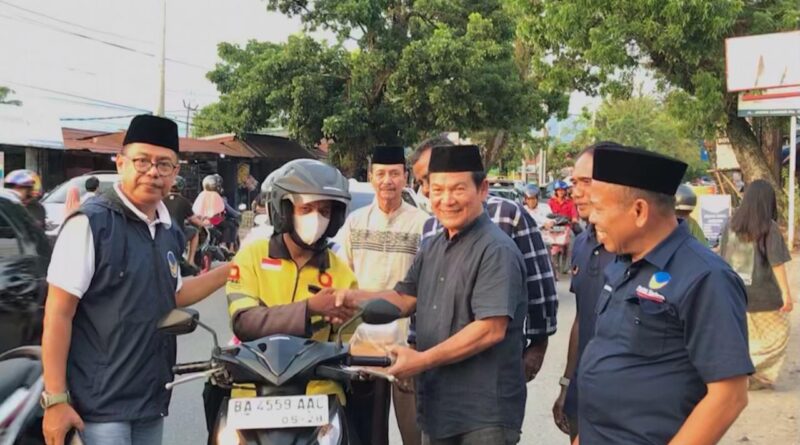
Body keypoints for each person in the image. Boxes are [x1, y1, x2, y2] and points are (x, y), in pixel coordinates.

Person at [41, 114, 231, 445]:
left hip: (150, 401)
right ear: (120, 163)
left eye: (164, 164)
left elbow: (174, 295)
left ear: (175, 172)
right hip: (99, 407)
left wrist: (230, 271)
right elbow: (58, 312)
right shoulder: (91, 224)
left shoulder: (168, 230)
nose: (153, 172)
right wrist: (55, 400)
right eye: (142, 161)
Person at [336, 145, 528, 445]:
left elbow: (490, 329)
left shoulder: (496, 249)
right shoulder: (433, 246)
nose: (446, 200)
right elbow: (404, 298)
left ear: (482, 190)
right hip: (438, 406)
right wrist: (350, 302)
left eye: (458, 189)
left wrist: (421, 360)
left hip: (483, 414)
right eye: (437, 190)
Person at [576, 145, 753, 444]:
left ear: (639, 211)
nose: (592, 218)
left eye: (600, 208)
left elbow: (729, 396)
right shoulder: (622, 264)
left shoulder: (705, 277)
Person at [223, 159, 365, 440]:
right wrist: (310, 309)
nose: (316, 218)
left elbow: (349, 344)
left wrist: (357, 333)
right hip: (252, 389)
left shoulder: (340, 271)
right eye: (306, 209)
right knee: (212, 396)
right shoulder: (252, 256)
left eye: (324, 211)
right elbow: (244, 321)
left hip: (319, 394)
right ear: (284, 211)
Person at [413, 137, 557, 382]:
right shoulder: (430, 228)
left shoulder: (508, 215)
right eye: (422, 182)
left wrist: (538, 344)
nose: (428, 188)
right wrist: (415, 346)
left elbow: (538, 282)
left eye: (431, 176)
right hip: (438, 368)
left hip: (491, 368)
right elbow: (421, 296)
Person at [336, 146, 430, 445]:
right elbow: (343, 276)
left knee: (414, 433)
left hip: (407, 344)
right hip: (363, 345)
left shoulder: (423, 224)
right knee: (368, 433)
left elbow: (427, 286)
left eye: (394, 173)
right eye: (380, 174)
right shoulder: (355, 222)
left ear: (406, 177)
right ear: (371, 177)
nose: (387, 180)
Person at [550, 144, 615, 442]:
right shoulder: (583, 243)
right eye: (574, 182)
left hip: (623, 404)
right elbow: (581, 319)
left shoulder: (637, 249)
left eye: (586, 182)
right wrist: (567, 384)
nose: (576, 192)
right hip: (584, 391)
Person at [719, 179, 794, 390]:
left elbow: (721, 258)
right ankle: (749, 370)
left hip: (733, 292)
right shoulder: (768, 227)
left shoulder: (730, 224)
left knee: (746, 336)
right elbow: (776, 262)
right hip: (764, 296)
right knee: (779, 334)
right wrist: (786, 294)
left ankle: (745, 373)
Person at [164, 176, 204, 267]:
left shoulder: (161, 200)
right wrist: (204, 224)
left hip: (163, 233)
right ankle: (191, 261)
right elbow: (193, 220)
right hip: (178, 234)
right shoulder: (184, 201)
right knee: (195, 232)